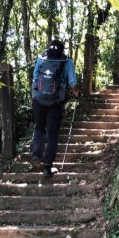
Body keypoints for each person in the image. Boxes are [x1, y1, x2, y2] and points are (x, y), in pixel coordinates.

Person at [31, 39, 79, 177]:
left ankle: (36, 155)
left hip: (39, 100)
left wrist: (35, 95)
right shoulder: (66, 61)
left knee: (39, 128)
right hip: (56, 102)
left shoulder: (41, 58)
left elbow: (35, 77)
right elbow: (72, 83)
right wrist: (77, 94)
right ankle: (47, 167)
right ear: (62, 50)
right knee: (52, 134)